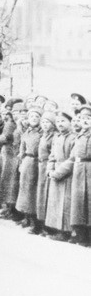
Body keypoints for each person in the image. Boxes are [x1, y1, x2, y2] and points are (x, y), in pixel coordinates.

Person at [45, 112, 76, 241]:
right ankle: (57, 229)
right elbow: (52, 156)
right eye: (58, 122)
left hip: (67, 175)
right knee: (55, 203)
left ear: (70, 122)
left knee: (66, 204)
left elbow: (72, 159)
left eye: (63, 121)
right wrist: (50, 169)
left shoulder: (74, 138)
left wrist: (58, 173)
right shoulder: (57, 137)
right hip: (55, 174)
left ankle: (66, 232)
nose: (60, 124)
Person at [16, 107, 44, 233]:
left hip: (36, 163)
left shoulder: (42, 133)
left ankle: (35, 222)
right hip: (27, 162)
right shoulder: (26, 132)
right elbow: (22, 148)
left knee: (33, 192)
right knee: (24, 190)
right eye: (31, 116)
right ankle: (26, 216)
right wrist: (21, 162)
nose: (34, 119)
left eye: (37, 117)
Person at [68, 105, 91, 245]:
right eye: (83, 118)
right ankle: (80, 234)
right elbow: (73, 155)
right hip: (79, 169)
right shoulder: (79, 135)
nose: (85, 120)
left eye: (89, 118)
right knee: (78, 203)